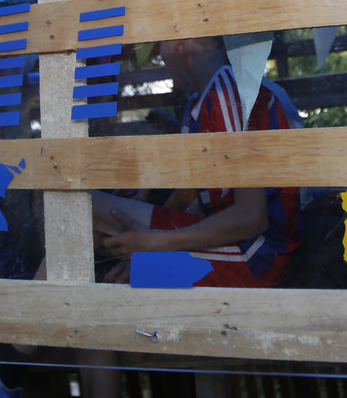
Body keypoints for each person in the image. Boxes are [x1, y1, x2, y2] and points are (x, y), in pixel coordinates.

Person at [93, 36, 303, 288]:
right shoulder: (200, 101)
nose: (159, 55)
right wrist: (150, 242)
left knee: (88, 206)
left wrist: (155, 243)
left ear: (179, 42)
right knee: (94, 213)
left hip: (256, 256)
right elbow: (193, 199)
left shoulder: (226, 91)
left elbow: (252, 217)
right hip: (239, 243)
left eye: (160, 44)